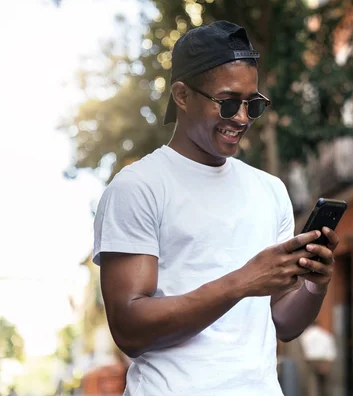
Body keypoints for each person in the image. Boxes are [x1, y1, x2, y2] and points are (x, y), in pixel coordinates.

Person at [93, 20, 339, 396]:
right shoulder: (138, 187)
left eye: (252, 104)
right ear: (181, 95)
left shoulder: (270, 190)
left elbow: (282, 323)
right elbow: (129, 329)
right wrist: (241, 282)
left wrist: (314, 287)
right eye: (227, 102)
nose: (241, 118)